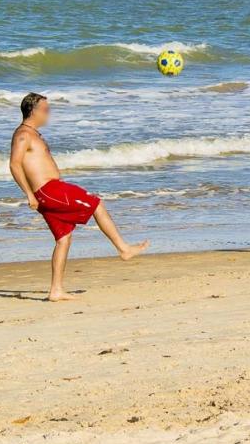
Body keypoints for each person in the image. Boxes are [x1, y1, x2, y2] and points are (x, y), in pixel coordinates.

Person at [9, 92, 148, 301]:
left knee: (63, 239)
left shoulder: (34, 134)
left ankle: (56, 290)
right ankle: (123, 248)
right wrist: (29, 194)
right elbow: (14, 164)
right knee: (96, 203)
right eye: (46, 109)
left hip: (50, 190)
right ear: (34, 111)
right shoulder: (24, 135)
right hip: (49, 190)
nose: (49, 113)